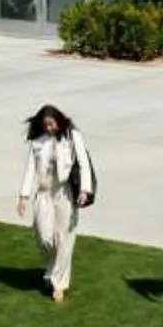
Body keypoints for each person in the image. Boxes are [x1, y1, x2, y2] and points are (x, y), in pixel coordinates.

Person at [13, 104, 97, 302]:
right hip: (44, 193)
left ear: (59, 121)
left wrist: (85, 190)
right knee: (45, 237)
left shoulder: (71, 135)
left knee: (64, 238)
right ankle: (51, 269)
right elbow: (30, 169)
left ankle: (59, 283)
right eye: (45, 125)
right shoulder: (38, 141)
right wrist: (23, 195)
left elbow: (84, 163)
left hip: (65, 192)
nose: (49, 128)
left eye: (52, 124)